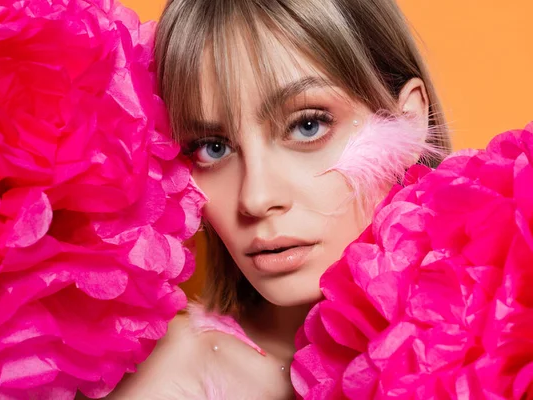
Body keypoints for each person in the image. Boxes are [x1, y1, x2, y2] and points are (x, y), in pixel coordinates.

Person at [112, 0, 451, 398]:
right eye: (212, 148)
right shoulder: (169, 382)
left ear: (408, 120)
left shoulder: (506, 335)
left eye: (307, 126)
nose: (255, 199)